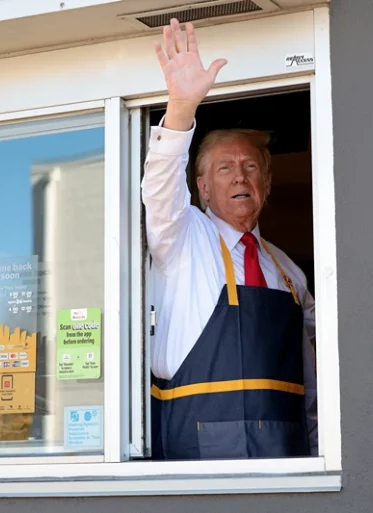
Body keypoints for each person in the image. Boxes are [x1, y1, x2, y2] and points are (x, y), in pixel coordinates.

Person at [142, 18, 318, 460]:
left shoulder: (288, 271)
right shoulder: (182, 238)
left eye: (251, 166)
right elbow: (161, 189)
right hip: (197, 460)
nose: (240, 176)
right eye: (224, 167)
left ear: (267, 182)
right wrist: (181, 108)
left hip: (285, 459)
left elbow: (312, 381)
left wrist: (319, 451)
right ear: (202, 188)